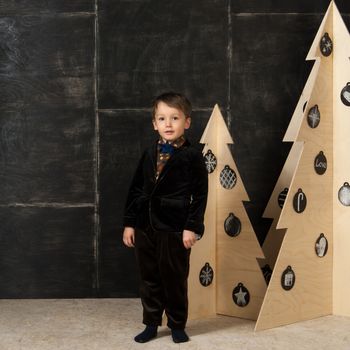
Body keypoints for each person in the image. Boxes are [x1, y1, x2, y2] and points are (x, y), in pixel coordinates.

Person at [122, 92, 208, 343]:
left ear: (187, 122)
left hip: (174, 227)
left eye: (174, 118)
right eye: (162, 118)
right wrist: (130, 223)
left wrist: (191, 227)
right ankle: (151, 323)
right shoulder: (149, 153)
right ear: (154, 124)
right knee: (149, 277)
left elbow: (200, 194)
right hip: (145, 225)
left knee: (174, 278)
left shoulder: (192, 156)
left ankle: (177, 324)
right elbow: (136, 189)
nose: (168, 124)